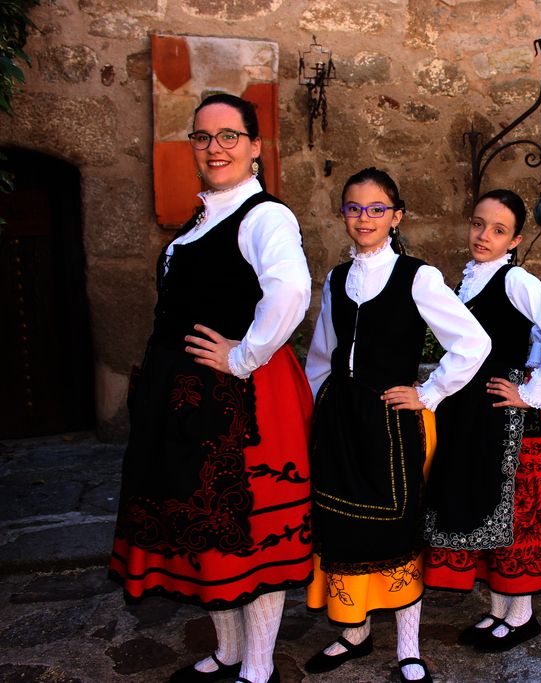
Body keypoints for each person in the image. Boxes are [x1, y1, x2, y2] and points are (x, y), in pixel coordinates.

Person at [109, 93, 313, 683]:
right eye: (203, 137)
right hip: (183, 398)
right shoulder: (204, 217)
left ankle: (257, 666)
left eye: (229, 135)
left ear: (254, 147)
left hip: (237, 399)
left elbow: (291, 292)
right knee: (200, 532)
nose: (215, 147)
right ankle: (227, 651)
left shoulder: (265, 215)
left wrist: (244, 355)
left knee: (245, 534)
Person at [302, 168, 489, 683]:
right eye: (353, 208)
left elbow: (473, 343)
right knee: (340, 525)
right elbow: (322, 353)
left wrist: (429, 393)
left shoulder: (417, 277)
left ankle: (409, 649)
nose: (364, 218)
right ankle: (353, 632)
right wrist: (316, 407)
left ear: (396, 215)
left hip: (391, 423)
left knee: (398, 531)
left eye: (376, 209)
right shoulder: (337, 279)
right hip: (341, 421)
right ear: (343, 214)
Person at [423, 189, 541, 652]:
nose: (483, 235)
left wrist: (533, 393)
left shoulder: (516, 282)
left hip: (508, 415)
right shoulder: (466, 281)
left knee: (515, 516)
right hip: (471, 412)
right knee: (485, 506)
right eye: (477, 224)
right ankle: (498, 611)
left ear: (514, 240)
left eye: (497, 230)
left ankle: (522, 615)